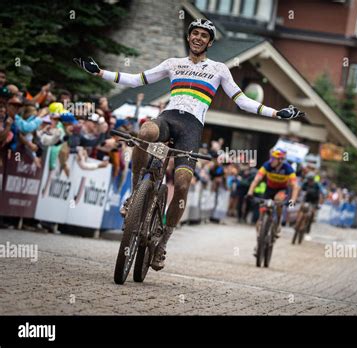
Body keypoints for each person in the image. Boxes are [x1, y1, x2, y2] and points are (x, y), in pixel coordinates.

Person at [74, 18, 304, 271]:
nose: (198, 38)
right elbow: (138, 79)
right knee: (145, 131)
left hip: (192, 129)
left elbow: (241, 101)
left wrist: (275, 113)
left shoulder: (218, 69)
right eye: (194, 33)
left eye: (203, 36)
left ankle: (162, 244)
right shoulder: (173, 63)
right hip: (169, 118)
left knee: (182, 184)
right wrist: (99, 72)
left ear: (210, 42)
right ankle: (134, 195)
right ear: (188, 37)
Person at [247, 149, 299, 242]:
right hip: (269, 189)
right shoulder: (267, 165)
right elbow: (257, 179)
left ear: (280, 160)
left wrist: (292, 201)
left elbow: (295, 186)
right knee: (263, 207)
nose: (271, 160)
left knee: (278, 200)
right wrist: (250, 193)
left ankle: (278, 222)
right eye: (271, 158)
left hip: (281, 189)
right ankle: (260, 232)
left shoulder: (288, 168)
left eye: (274, 159)